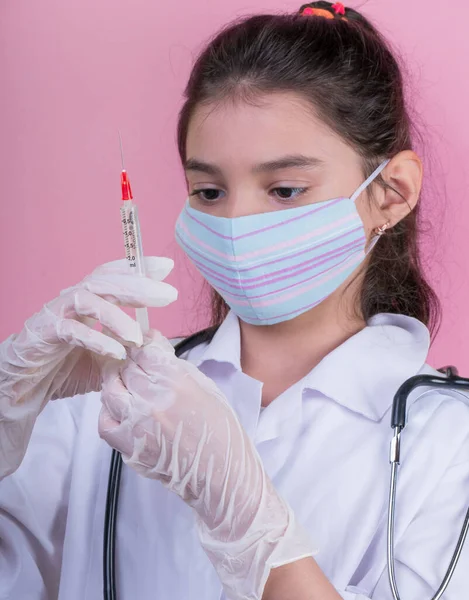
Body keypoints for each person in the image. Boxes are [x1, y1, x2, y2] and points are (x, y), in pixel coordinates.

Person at [1, 2, 468, 599]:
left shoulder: (450, 441)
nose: (238, 221)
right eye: (210, 190)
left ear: (391, 193)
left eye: (285, 189)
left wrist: (250, 524)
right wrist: (6, 404)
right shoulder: (100, 402)